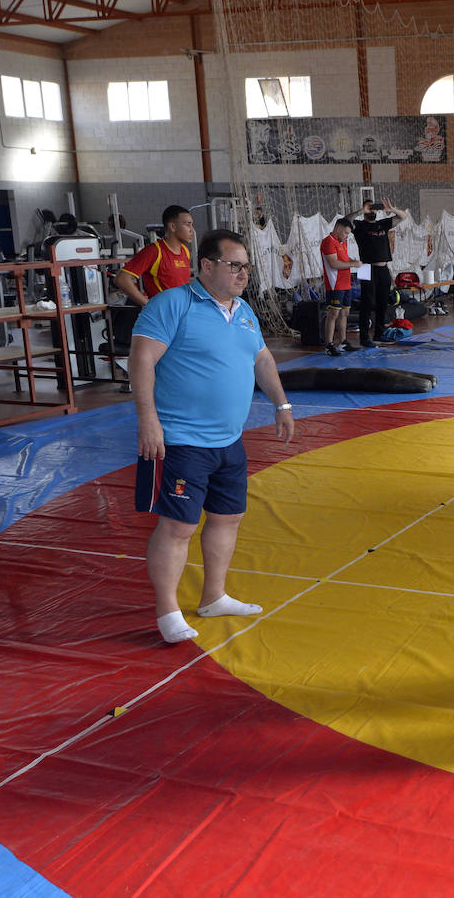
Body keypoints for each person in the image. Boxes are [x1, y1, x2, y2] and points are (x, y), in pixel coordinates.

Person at [130, 229, 296, 644]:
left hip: (229, 440)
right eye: (234, 265)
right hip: (182, 440)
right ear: (206, 266)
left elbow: (261, 358)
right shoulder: (173, 305)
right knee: (177, 527)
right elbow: (142, 360)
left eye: (245, 267)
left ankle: (213, 595)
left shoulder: (242, 310)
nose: (243, 274)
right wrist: (147, 420)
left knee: (228, 518)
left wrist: (282, 404)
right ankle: (167, 610)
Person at [350, 198, 409, 348]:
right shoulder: (359, 225)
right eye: (370, 208)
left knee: (383, 302)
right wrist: (360, 211)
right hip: (366, 267)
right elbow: (344, 221)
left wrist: (392, 209)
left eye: (375, 208)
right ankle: (364, 337)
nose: (373, 211)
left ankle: (379, 333)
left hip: (383, 268)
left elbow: (403, 216)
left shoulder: (382, 224)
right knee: (367, 302)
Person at [115, 205, 196, 307]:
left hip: (182, 312)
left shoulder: (185, 251)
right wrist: (148, 305)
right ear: (173, 227)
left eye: (192, 225)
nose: (191, 230)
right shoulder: (154, 251)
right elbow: (122, 279)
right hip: (164, 315)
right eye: (187, 225)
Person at [320, 217, 360, 355]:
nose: (347, 236)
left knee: (345, 313)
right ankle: (329, 345)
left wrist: (353, 261)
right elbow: (334, 264)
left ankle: (343, 342)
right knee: (333, 314)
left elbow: (344, 259)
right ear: (338, 229)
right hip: (334, 284)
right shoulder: (328, 242)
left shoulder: (342, 242)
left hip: (346, 283)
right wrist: (353, 264)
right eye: (346, 233)